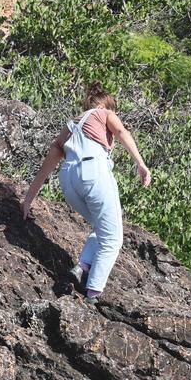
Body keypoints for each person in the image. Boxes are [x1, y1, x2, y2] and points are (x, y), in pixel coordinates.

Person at [20, 82, 153, 305]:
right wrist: (141, 163)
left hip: (68, 179)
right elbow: (121, 132)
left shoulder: (70, 126)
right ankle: (93, 293)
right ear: (108, 106)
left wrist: (27, 201)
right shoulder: (105, 113)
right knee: (113, 237)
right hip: (93, 171)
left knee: (102, 228)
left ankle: (82, 267)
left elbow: (47, 166)